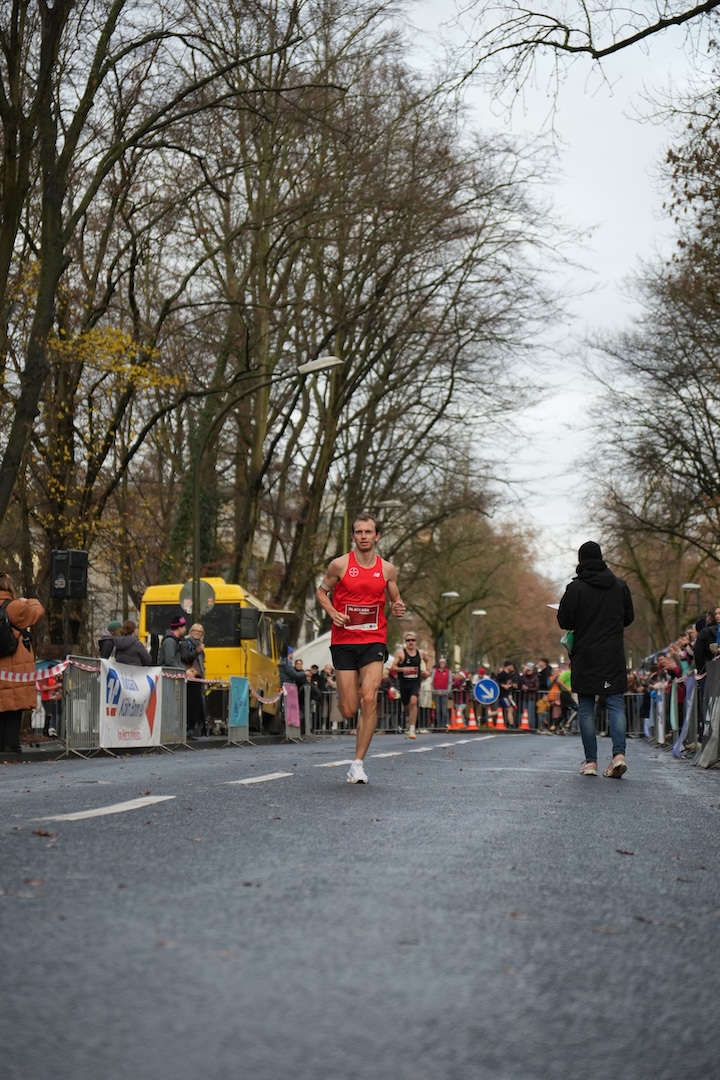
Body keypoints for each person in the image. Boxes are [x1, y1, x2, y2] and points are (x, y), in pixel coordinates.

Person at [316, 512, 406, 783]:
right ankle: (348, 693)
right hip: (344, 640)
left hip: (373, 639)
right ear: (353, 536)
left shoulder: (387, 569)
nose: (364, 537)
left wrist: (398, 606)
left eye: (368, 532)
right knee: (348, 709)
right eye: (359, 532)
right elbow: (321, 592)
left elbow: (396, 599)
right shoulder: (340, 565)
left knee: (369, 698)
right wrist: (333, 612)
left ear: (377, 536)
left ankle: (357, 763)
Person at [558, 540, 634, 778]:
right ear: (601, 558)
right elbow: (629, 618)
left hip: (585, 655)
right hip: (612, 655)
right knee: (615, 704)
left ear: (581, 561)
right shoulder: (620, 586)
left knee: (586, 707)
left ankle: (590, 762)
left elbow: (564, 621)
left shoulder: (576, 588)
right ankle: (618, 756)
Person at [0, 572, 44, 757]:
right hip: (16, 663)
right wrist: (30, 601)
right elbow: (37, 613)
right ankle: (11, 746)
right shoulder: (16, 607)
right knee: (15, 705)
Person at [389, 631, 427, 739]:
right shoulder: (400, 653)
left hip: (415, 682)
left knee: (414, 702)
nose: (411, 642)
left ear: (416, 641)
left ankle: (412, 729)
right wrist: (403, 669)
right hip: (404, 683)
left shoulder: (421, 653)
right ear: (405, 642)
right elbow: (393, 667)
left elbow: (427, 660)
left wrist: (426, 670)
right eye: (408, 640)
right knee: (406, 707)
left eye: (413, 640)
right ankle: (408, 717)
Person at [181, 623, 208, 737]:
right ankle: (189, 728)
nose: (197, 633)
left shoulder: (199, 644)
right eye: (195, 630)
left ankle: (193, 728)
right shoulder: (186, 643)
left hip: (198, 678)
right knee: (190, 704)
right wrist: (198, 651)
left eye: (200, 631)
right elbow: (186, 657)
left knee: (196, 704)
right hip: (190, 677)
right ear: (191, 631)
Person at [431, 657, 451, 729]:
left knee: (444, 710)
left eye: (443, 663)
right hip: (437, 692)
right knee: (438, 710)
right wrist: (433, 690)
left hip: (444, 693)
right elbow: (432, 681)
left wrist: (448, 691)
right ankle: (438, 725)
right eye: (441, 663)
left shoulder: (448, 671)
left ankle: (444, 724)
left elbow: (450, 682)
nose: (442, 664)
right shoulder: (435, 671)